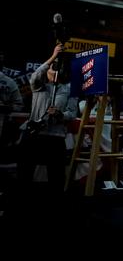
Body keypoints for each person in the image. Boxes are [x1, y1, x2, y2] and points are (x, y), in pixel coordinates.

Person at [17, 44, 77, 195]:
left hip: (55, 137)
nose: (53, 70)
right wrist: (53, 56)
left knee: (56, 175)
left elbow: (72, 113)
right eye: (51, 68)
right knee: (25, 172)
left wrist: (60, 114)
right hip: (34, 134)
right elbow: (35, 75)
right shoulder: (39, 86)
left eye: (56, 67)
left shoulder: (68, 90)